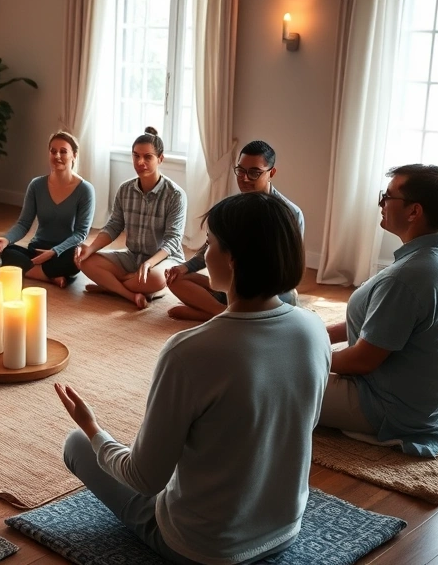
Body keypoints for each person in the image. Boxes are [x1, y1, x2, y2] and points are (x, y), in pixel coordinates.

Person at [56, 191, 328, 564]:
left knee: (76, 444)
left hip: (203, 548)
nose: (204, 253)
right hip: (284, 529)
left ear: (231, 259)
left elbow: (144, 478)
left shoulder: (189, 351)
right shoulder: (314, 330)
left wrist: (92, 429)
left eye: (210, 243)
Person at [319, 164, 438, 458]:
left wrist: (303, 357)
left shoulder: (405, 278)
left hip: (390, 408)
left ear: (414, 212)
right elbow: (381, 321)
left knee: (268, 381)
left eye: (387, 197)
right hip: (435, 404)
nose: (381, 203)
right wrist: (319, 334)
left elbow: (362, 361)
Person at [166, 140, 306, 321]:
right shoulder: (235, 208)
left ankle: (222, 315)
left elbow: (286, 267)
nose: (245, 178)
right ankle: (222, 313)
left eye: (254, 172)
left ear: (271, 173)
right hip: (231, 286)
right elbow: (215, 246)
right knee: (175, 279)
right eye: (240, 170)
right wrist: (185, 267)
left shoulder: (289, 214)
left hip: (267, 294)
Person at [74, 127, 186, 309]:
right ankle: (129, 293)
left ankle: (111, 287)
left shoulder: (175, 195)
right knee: (84, 259)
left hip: (163, 260)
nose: (140, 162)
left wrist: (149, 263)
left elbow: (173, 241)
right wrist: (91, 248)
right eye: (136, 156)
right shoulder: (125, 190)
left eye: (148, 157)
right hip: (132, 256)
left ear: (160, 159)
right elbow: (114, 226)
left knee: (156, 277)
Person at [0, 131, 95, 288]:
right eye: (53, 151)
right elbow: (23, 223)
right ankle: (48, 277)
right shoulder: (36, 185)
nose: (57, 156)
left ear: (74, 156)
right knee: (4, 251)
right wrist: (6, 239)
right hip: (36, 250)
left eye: (63, 151)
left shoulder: (85, 190)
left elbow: (81, 233)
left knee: (79, 259)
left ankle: (33, 271)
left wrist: (54, 252)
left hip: (64, 253)